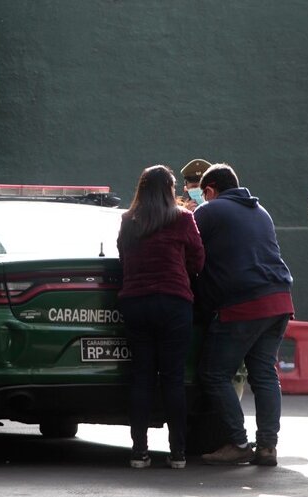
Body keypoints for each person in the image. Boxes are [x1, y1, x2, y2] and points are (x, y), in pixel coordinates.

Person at [192, 163, 295, 467]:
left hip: (243, 305)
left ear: (209, 190)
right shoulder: (260, 211)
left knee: (214, 373)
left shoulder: (209, 211)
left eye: (202, 193)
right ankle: (267, 447)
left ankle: (238, 442)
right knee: (264, 374)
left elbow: (186, 250)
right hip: (279, 300)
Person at [117, 164, 205, 469]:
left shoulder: (129, 220)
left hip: (136, 302)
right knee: (173, 378)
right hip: (173, 302)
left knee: (141, 377)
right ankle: (178, 452)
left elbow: (122, 257)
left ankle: (138, 452)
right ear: (169, 190)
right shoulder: (183, 218)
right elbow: (198, 259)